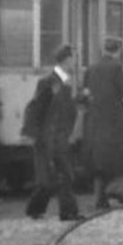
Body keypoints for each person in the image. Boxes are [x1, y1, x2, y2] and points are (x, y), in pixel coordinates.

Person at [24, 43, 81, 221]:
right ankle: (44, 210)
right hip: (49, 137)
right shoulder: (50, 82)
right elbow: (36, 107)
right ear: (67, 60)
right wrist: (32, 133)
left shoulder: (64, 81)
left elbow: (66, 108)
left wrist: (81, 101)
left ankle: (65, 211)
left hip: (58, 136)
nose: (76, 62)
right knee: (53, 178)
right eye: (74, 58)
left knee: (61, 175)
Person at [82, 36, 123, 209]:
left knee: (99, 159)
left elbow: (85, 92)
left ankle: (99, 198)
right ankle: (116, 189)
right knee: (122, 154)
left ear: (104, 50)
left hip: (94, 119)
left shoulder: (91, 68)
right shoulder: (116, 67)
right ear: (118, 51)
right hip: (114, 119)